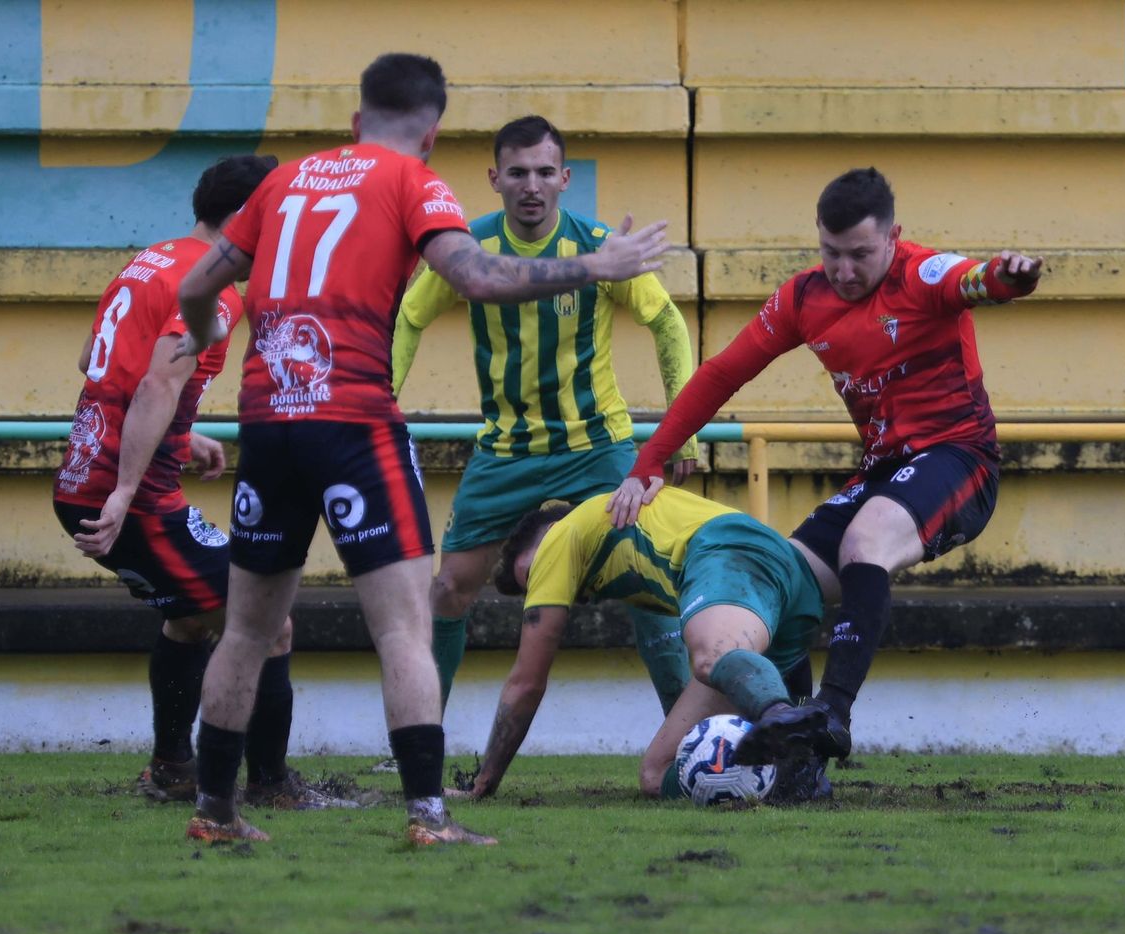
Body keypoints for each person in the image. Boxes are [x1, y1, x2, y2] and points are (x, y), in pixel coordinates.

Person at [174, 53, 672, 845]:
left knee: (246, 629)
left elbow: (197, 289)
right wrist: (593, 264)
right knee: (405, 626)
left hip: (267, 419)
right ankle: (428, 815)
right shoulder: (411, 181)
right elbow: (472, 276)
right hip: (353, 422)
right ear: (433, 134)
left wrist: (202, 349)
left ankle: (213, 810)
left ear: (354, 119)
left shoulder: (281, 183)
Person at [608, 167, 1043, 766]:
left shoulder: (921, 273)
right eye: (830, 253)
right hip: (882, 471)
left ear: (894, 238)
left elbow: (977, 280)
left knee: (865, 541)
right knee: (783, 582)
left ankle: (834, 712)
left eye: (860, 254)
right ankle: (795, 751)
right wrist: (648, 462)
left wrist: (1010, 276)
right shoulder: (803, 298)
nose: (844, 270)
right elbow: (720, 375)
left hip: (957, 457)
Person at [51, 155, 352, 812]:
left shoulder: (150, 260)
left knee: (192, 621)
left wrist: (180, 437)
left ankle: (171, 768)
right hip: (126, 495)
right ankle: (270, 783)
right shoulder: (213, 290)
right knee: (268, 624)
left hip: (85, 476)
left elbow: (95, 363)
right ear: (251, 219)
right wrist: (128, 488)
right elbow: (159, 380)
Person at [391, 114, 698, 719]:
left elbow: (667, 321)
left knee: (647, 584)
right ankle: (419, 739)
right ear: (495, 179)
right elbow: (409, 317)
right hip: (505, 451)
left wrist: (677, 429)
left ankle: (689, 740)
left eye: (542, 173)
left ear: (564, 179)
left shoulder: (598, 246)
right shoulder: (466, 249)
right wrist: (381, 397)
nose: (530, 185)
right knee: (450, 588)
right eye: (517, 173)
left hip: (596, 446)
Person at [460, 486, 830, 804]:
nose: (540, 587)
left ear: (552, 531)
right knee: (657, 773)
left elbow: (527, 682)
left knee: (713, 655)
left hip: (727, 549)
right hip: (790, 575)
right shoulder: (621, 542)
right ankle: (797, 776)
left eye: (533, 573)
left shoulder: (563, 535)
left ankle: (778, 712)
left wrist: (485, 781)